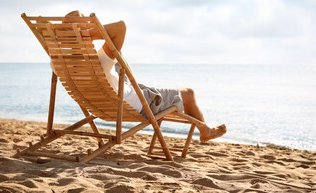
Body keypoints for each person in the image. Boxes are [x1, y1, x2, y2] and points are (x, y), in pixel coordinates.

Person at [66, 11, 227, 143]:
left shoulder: (59, 61)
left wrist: (77, 34)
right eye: (87, 24)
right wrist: (86, 34)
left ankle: (201, 126)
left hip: (105, 101)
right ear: (81, 32)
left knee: (119, 55)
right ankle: (205, 130)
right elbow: (120, 27)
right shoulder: (101, 61)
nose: (92, 27)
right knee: (188, 93)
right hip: (139, 103)